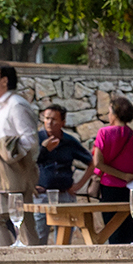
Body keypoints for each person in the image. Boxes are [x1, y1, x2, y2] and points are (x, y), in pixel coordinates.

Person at [0, 63, 42, 246]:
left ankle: (11, 257)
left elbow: (30, 141)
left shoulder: (16, 105)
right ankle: (27, 258)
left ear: (4, 81)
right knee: (23, 224)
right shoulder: (5, 106)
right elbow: (10, 145)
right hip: (7, 174)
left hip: (16, 175)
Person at [90, 96, 133, 245]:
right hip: (130, 189)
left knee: (111, 230)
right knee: (128, 229)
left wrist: (121, 175)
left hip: (109, 187)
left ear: (114, 115)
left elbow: (98, 163)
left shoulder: (104, 133)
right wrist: (130, 176)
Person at [33, 104, 92, 242]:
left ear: (62, 123)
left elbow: (92, 162)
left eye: (54, 119)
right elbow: (26, 163)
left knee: (63, 239)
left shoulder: (69, 141)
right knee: (37, 239)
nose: (49, 122)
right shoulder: (36, 139)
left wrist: (78, 185)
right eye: (47, 118)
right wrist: (30, 185)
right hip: (42, 194)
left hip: (64, 194)